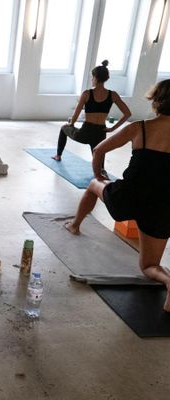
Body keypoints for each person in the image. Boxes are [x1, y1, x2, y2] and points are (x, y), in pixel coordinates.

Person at [64, 79, 170, 312]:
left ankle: (74, 225)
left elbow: (99, 149)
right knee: (150, 265)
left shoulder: (139, 127)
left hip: (127, 199)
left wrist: (99, 174)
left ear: (157, 101)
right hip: (162, 206)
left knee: (94, 184)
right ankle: (169, 281)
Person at [53, 60, 131, 178]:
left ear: (95, 77)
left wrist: (71, 124)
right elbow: (127, 113)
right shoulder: (113, 95)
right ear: (106, 78)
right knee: (100, 164)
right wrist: (112, 129)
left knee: (64, 128)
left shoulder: (87, 93)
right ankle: (102, 171)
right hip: (101, 133)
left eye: (92, 77)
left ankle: (58, 155)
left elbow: (76, 114)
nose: (91, 80)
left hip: (85, 133)